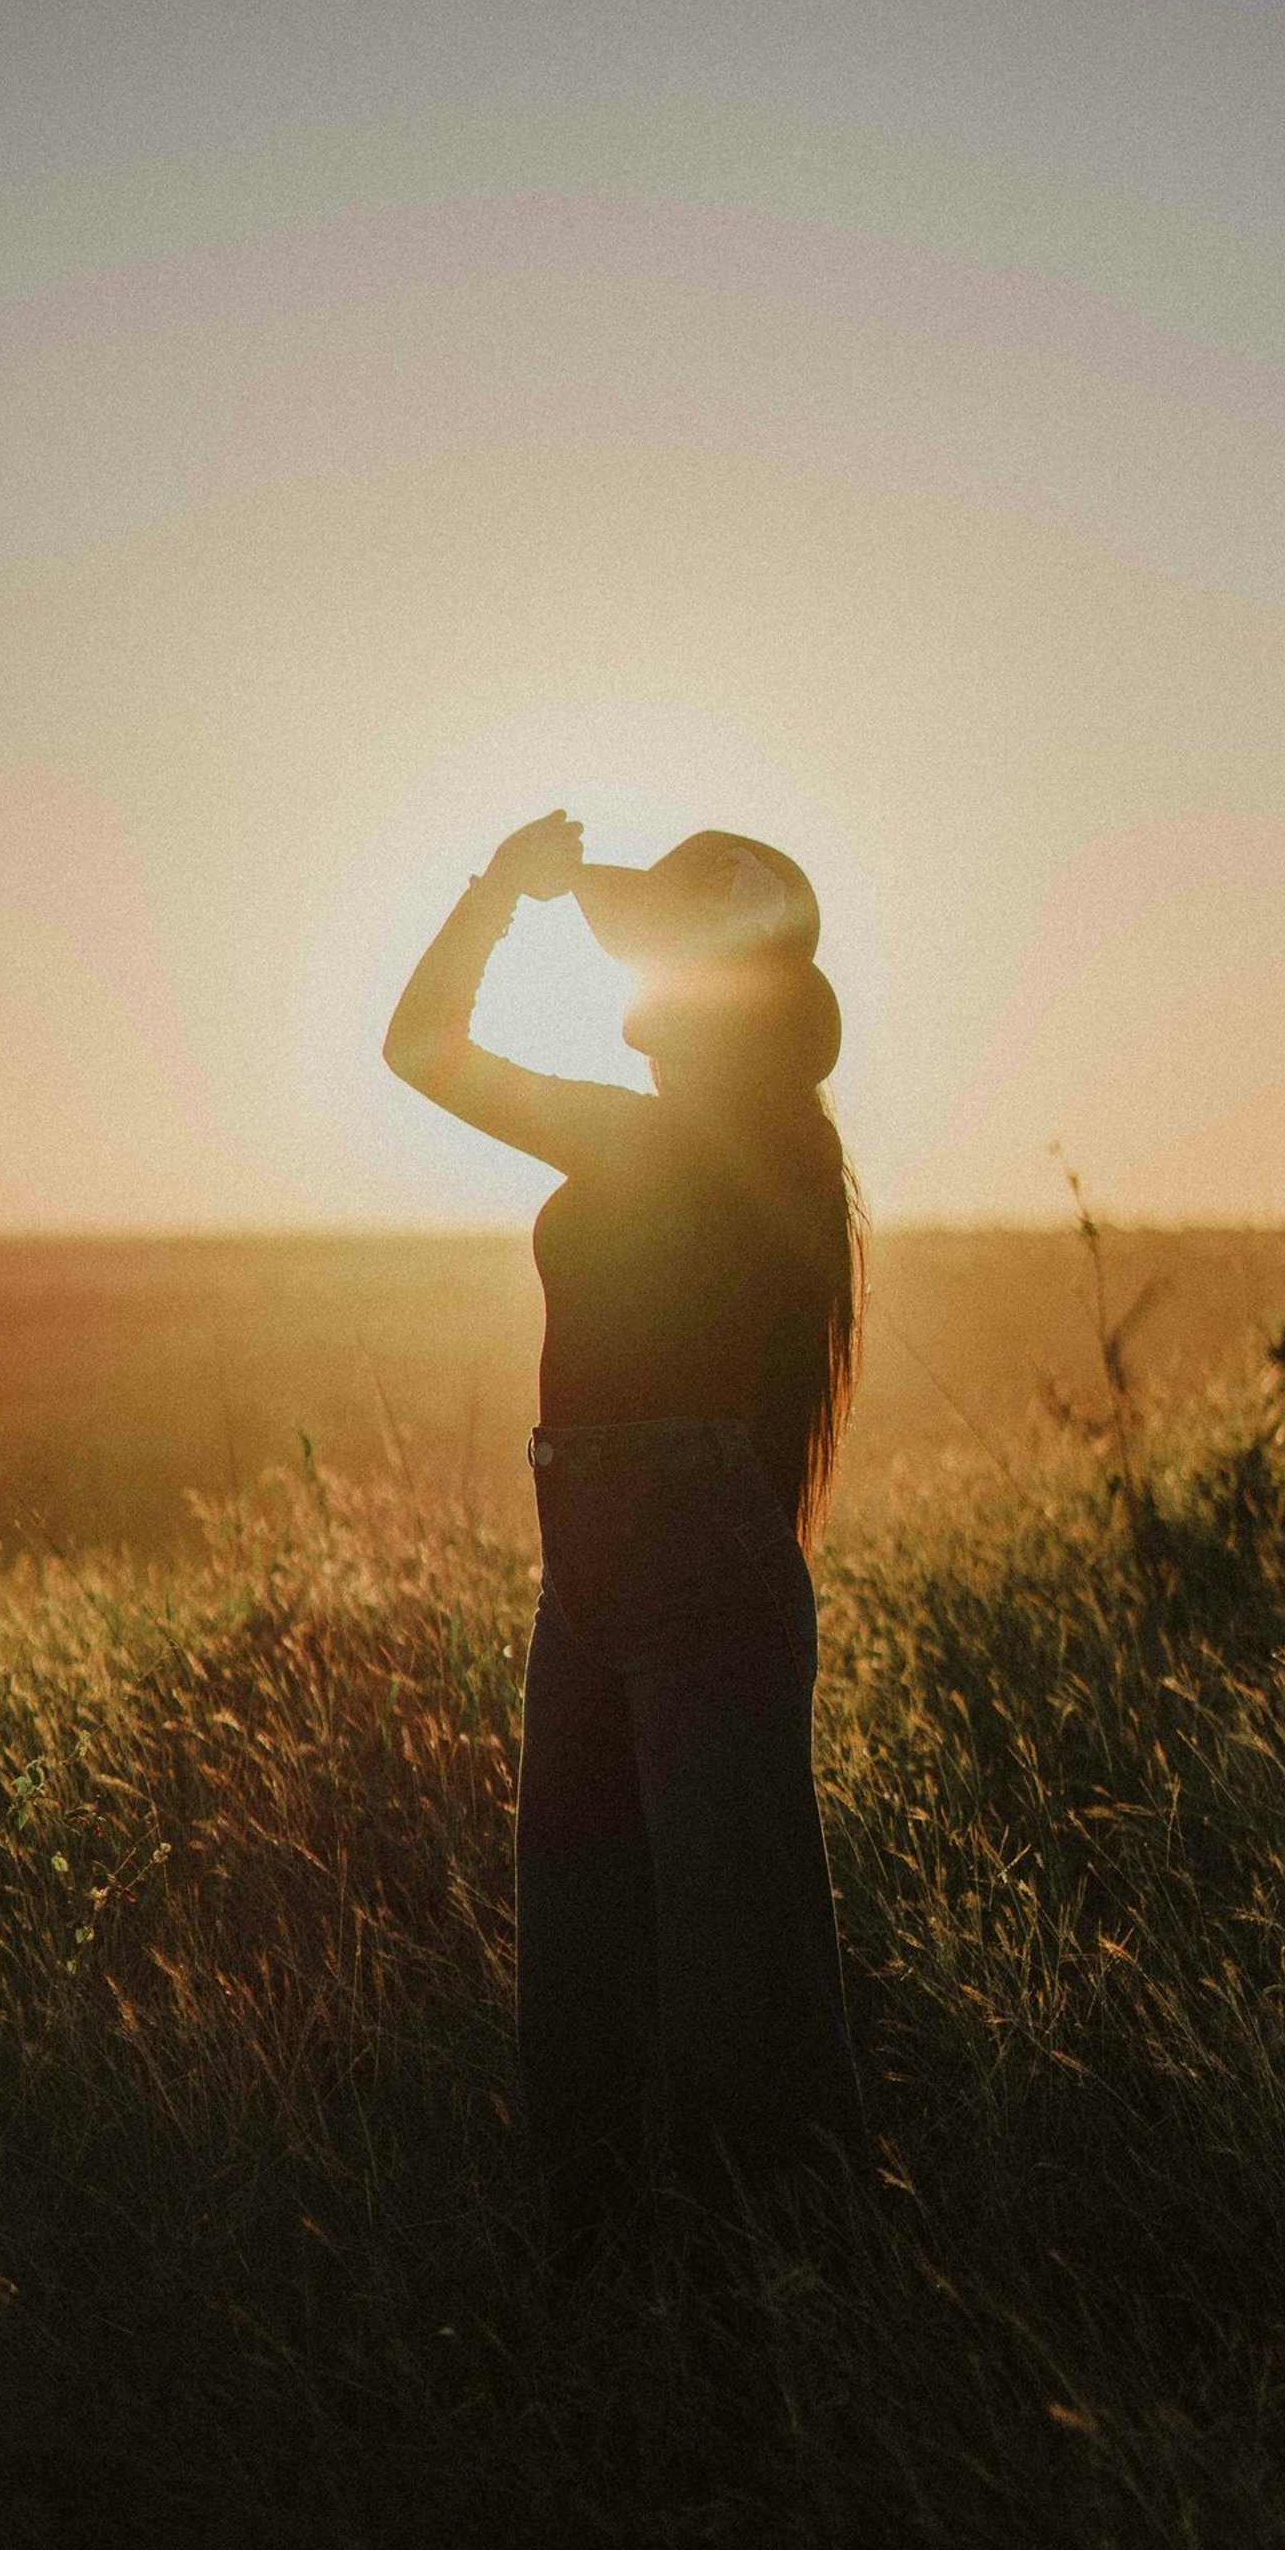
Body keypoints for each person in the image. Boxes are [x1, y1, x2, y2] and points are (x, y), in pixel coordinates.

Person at [383, 809, 867, 2255]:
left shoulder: (692, 1144)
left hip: (675, 1555)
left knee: (724, 1958)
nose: (637, 981)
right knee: (601, 1941)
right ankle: (622, 2269)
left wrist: (496, 894)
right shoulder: (718, 1143)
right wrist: (524, 891)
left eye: (664, 954)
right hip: (598, 1556)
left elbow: (421, 1050)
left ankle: (780, 2275)